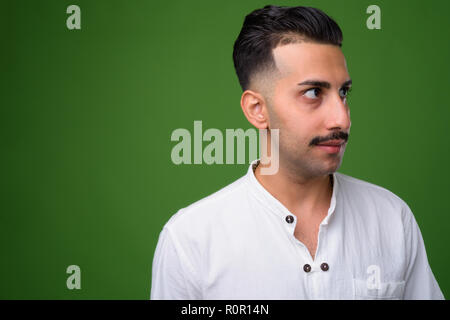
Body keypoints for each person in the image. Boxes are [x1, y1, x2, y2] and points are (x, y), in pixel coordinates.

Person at [150, 5, 444, 299]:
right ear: (257, 109)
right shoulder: (190, 241)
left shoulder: (392, 219)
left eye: (343, 93)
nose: (342, 118)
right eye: (314, 92)